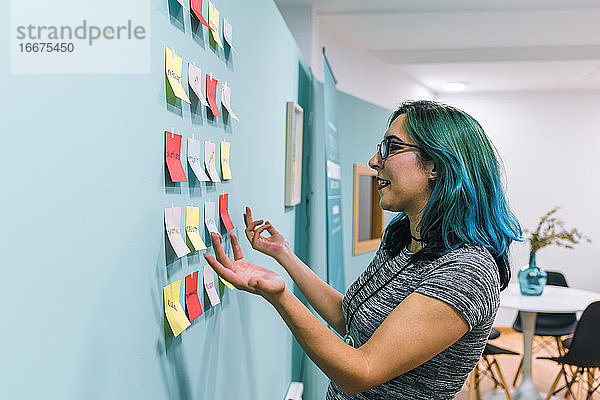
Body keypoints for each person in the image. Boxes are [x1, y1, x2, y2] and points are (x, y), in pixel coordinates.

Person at [204, 100, 522, 399]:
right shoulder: (402, 237)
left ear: (436, 165)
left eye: (391, 147)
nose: (374, 161)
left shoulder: (466, 271)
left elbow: (361, 371)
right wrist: (284, 255)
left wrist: (280, 295)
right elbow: (351, 319)